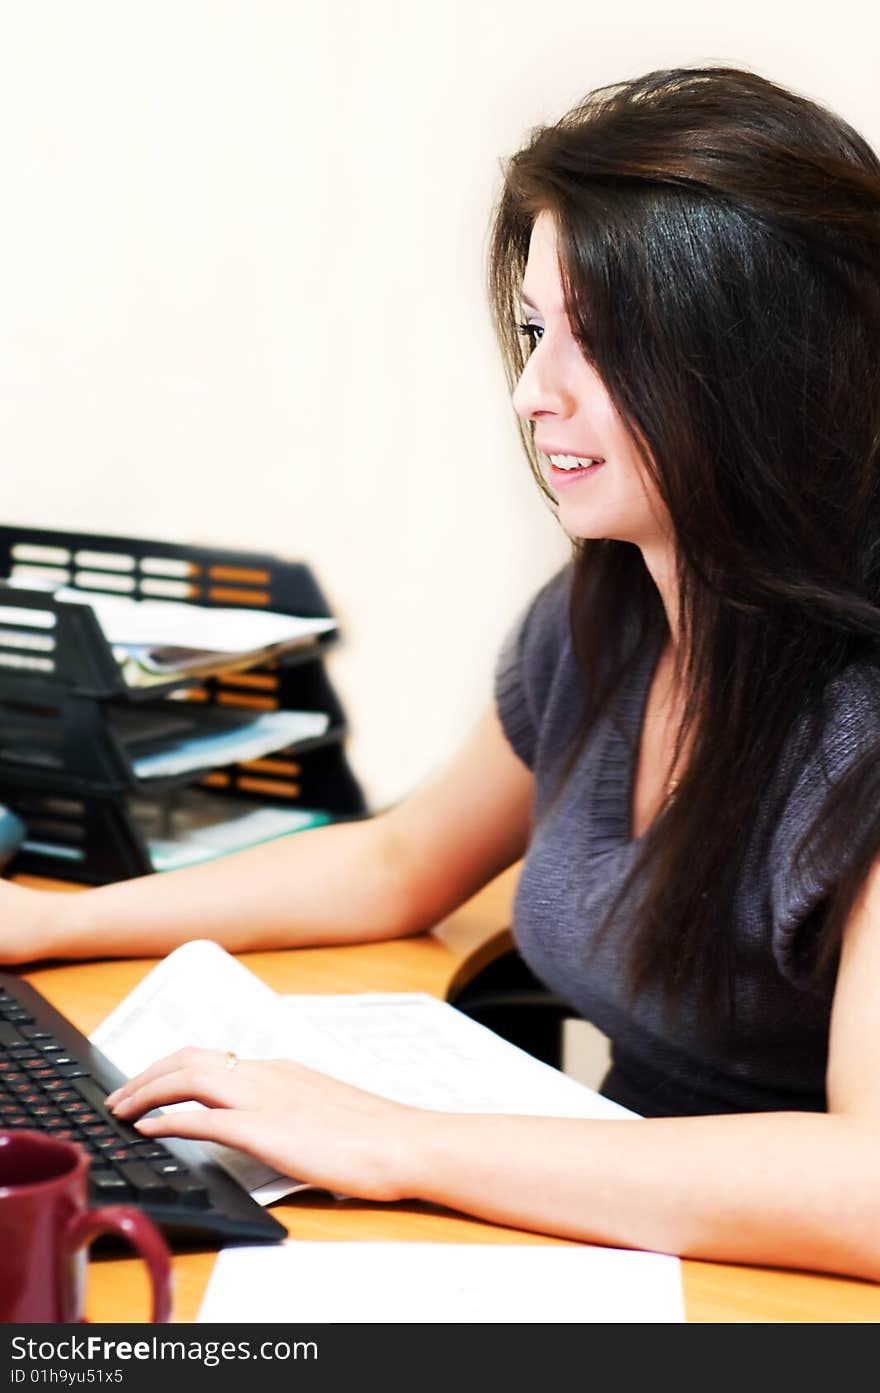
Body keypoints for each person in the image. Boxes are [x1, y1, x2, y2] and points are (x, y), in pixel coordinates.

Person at [4, 63, 880, 1282]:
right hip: (624, 1236)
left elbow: (867, 1187)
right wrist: (51, 921)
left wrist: (402, 1141)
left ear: (768, 367)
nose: (532, 392)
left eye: (604, 343)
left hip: (774, 1286)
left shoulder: (858, 729)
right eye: (534, 330)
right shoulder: (605, 620)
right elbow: (397, 860)